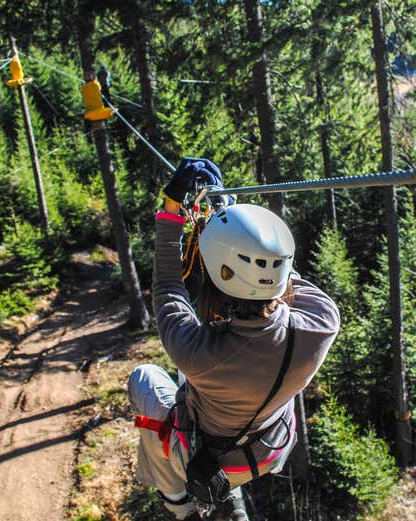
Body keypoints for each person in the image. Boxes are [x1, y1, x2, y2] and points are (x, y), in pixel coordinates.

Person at [128, 158, 340, 520]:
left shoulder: (196, 351)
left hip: (213, 453)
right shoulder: (321, 323)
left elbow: (167, 288)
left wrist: (171, 208)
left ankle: (178, 504)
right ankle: (229, 496)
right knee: (193, 381)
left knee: (144, 378)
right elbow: (280, 275)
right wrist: (232, 223)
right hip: (271, 448)